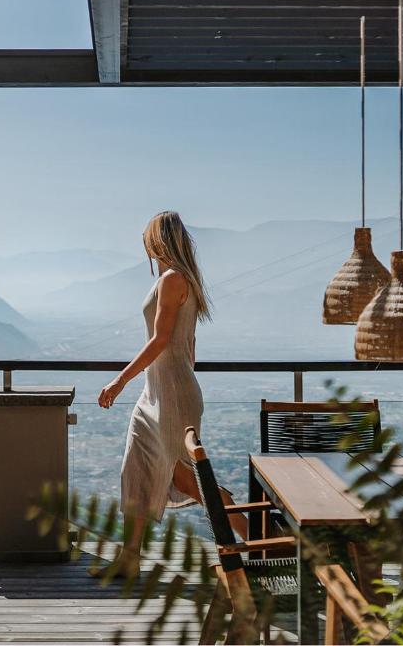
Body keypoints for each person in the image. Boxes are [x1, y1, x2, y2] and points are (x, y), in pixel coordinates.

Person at [95, 210, 246, 577]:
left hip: (170, 393)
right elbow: (188, 346)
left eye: (146, 236)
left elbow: (161, 341)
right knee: (136, 469)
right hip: (158, 392)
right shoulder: (176, 279)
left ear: (156, 240)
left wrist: (120, 381)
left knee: (187, 478)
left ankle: (262, 535)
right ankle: (129, 559)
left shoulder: (173, 279)